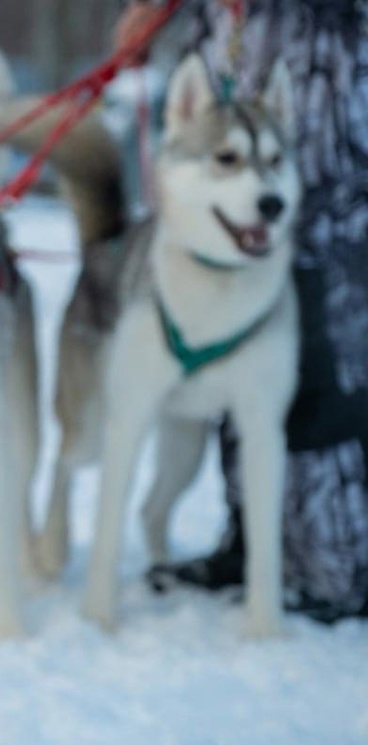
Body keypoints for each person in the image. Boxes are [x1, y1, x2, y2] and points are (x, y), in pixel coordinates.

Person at [117, 0, 368, 621]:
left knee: (325, 325)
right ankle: (255, 545)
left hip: (328, 48)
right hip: (239, 29)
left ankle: (335, 558)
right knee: (241, 346)